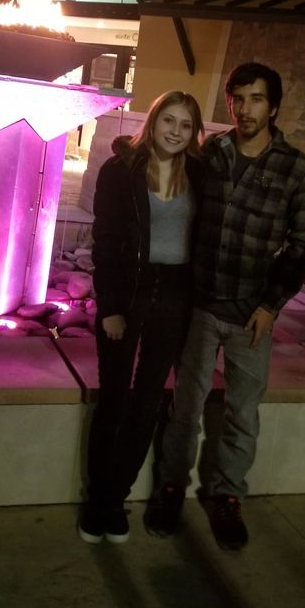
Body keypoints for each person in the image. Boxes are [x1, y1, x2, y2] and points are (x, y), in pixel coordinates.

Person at [145, 62, 305, 550]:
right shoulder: (212, 154)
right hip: (202, 305)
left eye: (256, 99)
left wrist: (271, 306)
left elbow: (302, 246)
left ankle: (226, 496)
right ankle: (171, 486)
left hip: (251, 315)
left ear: (274, 106)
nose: (245, 109)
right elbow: (165, 164)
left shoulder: (297, 170)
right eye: (237, 99)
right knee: (186, 407)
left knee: (243, 412)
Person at [78, 90, 204, 544]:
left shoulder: (199, 174)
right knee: (114, 399)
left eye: (185, 125)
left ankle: (117, 499)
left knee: (148, 400)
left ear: (194, 133)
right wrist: (110, 307)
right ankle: (96, 501)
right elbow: (107, 240)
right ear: (153, 122)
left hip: (174, 293)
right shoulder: (121, 170)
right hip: (129, 290)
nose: (176, 131)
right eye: (169, 120)